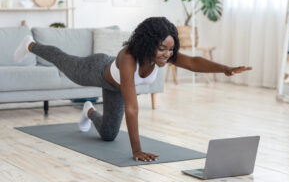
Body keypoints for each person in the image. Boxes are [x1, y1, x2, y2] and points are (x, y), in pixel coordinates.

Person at [14, 17, 252, 162]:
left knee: (108, 135)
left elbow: (193, 63)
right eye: (162, 49)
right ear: (149, 44)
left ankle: (88, 110)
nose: (167, 54)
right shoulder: (128, 58)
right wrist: (137, 150)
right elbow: (132, 106)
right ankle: (32, 44)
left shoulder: (164, 55)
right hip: (97, 69)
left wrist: (225, 69)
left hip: (116, 88)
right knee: (66, 63)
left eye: (171, 49)